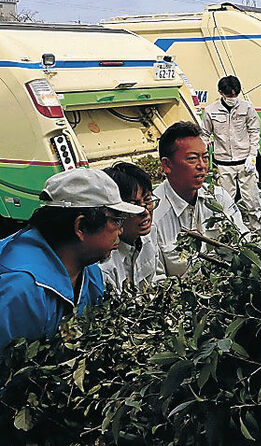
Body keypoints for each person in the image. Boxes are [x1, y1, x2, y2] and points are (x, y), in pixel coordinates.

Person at [0, 169, 144, 350]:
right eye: (116, 221)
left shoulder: (89, 271)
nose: (120, 231)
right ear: (81, 226)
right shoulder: (21, 288)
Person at [150, 121, 248, 280]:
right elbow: (156, 279)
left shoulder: (218, 198)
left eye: (204, 157)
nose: (202, 166)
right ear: (167, 165)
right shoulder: (154, 216)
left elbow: (243, 241)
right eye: (192, 159)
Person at [200, 75, 261, 231]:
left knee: (252, 200)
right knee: (225, 202)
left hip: (245, 162)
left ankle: (258, 230)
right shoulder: (210, 110)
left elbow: (254, 131)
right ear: (221, 92)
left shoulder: (247, 108)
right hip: (223, 164)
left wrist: (252, 155)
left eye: (235, 95)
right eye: (229, 95)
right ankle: (229, 233)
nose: (232, 98)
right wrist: (204, 152)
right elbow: (204, 134)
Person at [98, 163, 159, 293]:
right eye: (133, 205)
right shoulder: (104, 263)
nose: (145, 212)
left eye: (147, 200)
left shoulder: (151, 233)